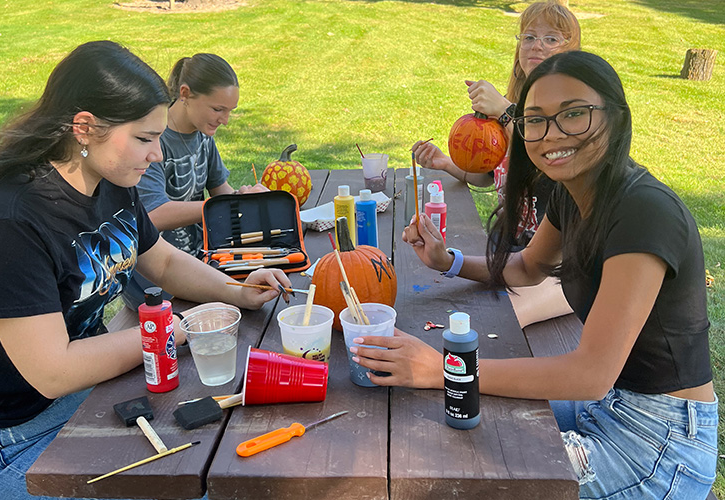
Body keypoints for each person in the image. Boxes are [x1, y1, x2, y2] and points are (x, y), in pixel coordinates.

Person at [354, 51, 717, 499]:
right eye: (535, 120)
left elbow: (591, 373)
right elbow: (527, 268)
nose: (552, 134)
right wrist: (447, 260)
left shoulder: (644, 211)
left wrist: (446, 370)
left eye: (574, 114)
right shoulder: (576, 192)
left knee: (471, 478)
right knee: (440, 428)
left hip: (658, 444)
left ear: (617, 117)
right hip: (605, 405)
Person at [0, 41, 290, 500]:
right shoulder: (11, 223)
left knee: (232, 467)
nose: (157, 155)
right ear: (85, 128)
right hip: (24, 437)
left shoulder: (111, 182)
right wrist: (178, 326)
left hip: (98, 391)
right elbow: (53, 371)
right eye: (144, 138)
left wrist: (236, 290)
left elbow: (160, 259)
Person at [412, 1, 581, 327]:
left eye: (551, 38)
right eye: (528, 37)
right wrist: (448, 164)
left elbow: (547, 155)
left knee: (498, 321)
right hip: (514, 250)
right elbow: (492, 176)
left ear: (571, 50)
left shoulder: (570, 113)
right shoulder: (517, 108)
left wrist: (505, 113)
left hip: (561, 264)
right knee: (456, 307)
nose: (536, 45)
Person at [123, 53, 269, 309]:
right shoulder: (154, 141)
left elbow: (221, 192)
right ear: (185, 93)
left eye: (229, 111)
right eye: (217, 109)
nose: (224, 120)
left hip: (199, 261)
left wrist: (245, 200)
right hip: (155, 280)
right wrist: (228, 204)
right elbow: (153, 215)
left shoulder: (203, 136)